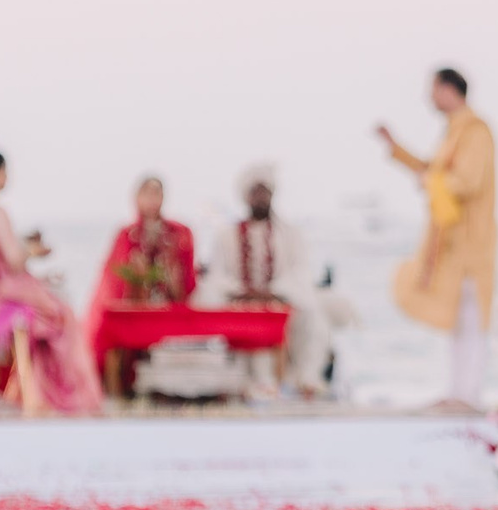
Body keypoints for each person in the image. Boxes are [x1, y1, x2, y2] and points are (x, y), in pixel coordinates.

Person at [0, 140, 101, 414]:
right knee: (60, 314)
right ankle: (61, 396)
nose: (7, 176)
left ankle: (30, 391)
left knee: (47, 297)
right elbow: (14, 260)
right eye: (3, 170)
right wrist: (33, 250)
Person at [377, 68, 498, 406]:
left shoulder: (476, 130)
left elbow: (466, 180)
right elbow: (434, 170)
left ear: (448, 89)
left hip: (472, 243)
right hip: (450, 242)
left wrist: (431, 182)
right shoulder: (454, 132)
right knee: (457, 316)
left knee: (472, 316)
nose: (429, 98)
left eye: (432, 90)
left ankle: (469, 395)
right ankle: (458, 392)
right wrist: (396, 149)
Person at [216, 163, 330, 397]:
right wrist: (242, 292)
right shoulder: (227, 235)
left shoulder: (290, 233)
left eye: (264, 191)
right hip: (241, 301)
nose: (260, 197)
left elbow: (300, 271)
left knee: (313, 317)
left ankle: (306, 380)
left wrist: (274, 292)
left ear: (272, 195)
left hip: (282, 299)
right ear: (246, 196)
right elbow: (218, 275)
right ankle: (249, 384)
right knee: (243, 320)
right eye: (255, 191)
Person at [83, 176, 196, 396]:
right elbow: (113, 279)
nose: (152, 200)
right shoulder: (126, 235)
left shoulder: (179, 233)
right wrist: (137, 279)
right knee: (114, 333)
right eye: (147, 194)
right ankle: (116, 391)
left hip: (167, 308)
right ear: (136, 198)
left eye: (157, 194)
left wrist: (171, 277)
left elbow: (187, 282)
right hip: (133, 307)